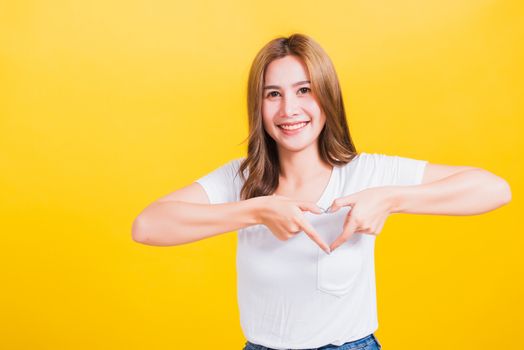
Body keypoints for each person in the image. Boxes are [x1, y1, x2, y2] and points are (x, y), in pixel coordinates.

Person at [131, 33, 512, 350]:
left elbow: (494, 188)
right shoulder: (241, 180)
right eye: (272, 94)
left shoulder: (367, 172)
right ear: (258, 107)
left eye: (304, 90)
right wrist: (258, 210)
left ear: (327, 98)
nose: (289, 109)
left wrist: (390, 199)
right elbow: (148, 226)